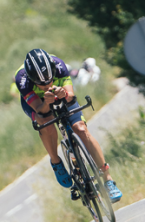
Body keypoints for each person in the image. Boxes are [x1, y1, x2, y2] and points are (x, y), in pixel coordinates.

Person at [14, 48, 122, 203]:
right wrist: (46, 101)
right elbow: (39, 110)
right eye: (41, 83)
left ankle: (108, 180)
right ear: (32, 79)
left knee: (80, 129)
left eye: (50, 80)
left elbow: (70, 97)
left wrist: (62, 94)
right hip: (38, 103)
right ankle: (56, 161)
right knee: (45, 122)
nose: (47, 84)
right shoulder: (22, 79)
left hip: (61, 94)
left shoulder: (59, 65)